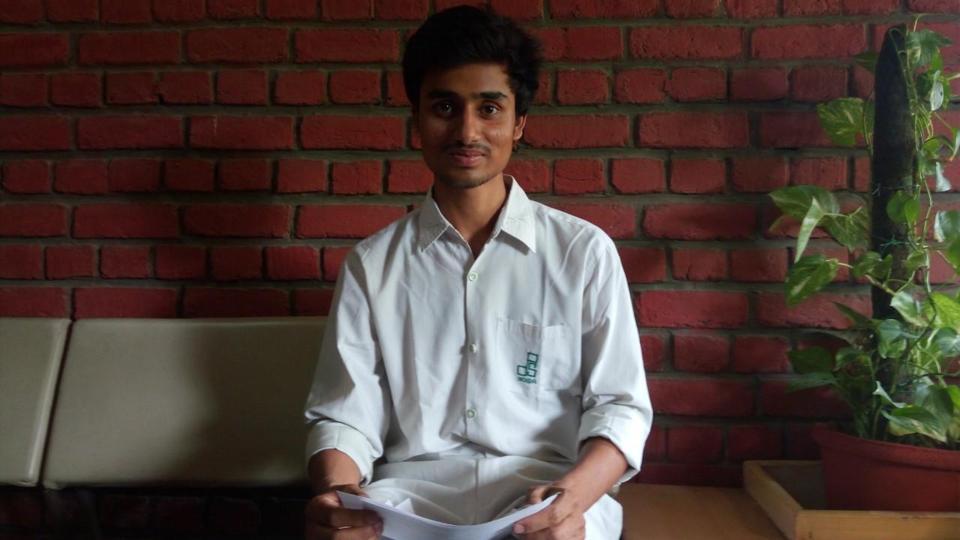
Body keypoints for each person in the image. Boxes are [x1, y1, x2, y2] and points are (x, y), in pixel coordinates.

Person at [303, 6, 652, 539]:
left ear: (519, 122)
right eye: (444, 107)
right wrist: (338, 497)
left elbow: (621, 408)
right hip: (407, 502)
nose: (467, 131)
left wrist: (571, 500)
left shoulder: (583, 253)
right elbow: (344, 415)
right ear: (417, 119)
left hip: (549, 494)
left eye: (489, 108)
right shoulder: (372, 266)